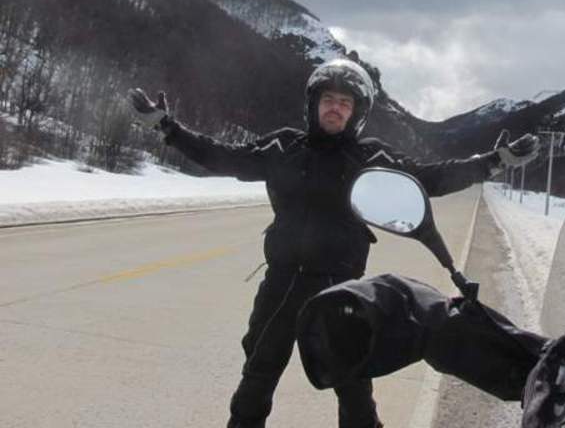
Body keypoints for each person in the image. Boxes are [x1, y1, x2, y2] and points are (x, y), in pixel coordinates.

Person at [129, 58, 539, 428]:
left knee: (354, 387)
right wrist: (168, 128)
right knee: (257, 375)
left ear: (357, 111)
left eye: (346, 101)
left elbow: (429, 178)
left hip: (342, 288)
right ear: (313, 103)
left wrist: (494, 161)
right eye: (329, 98)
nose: (336, 107)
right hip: (282, 284)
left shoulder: (371, 156)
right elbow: (223, 157)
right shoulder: (283, 146)